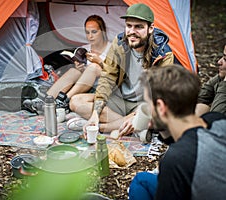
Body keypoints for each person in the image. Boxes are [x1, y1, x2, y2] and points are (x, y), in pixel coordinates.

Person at [69, 3, 176, 133]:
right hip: (119, 99)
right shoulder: (119, 43)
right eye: (129, 26)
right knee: (75, 101)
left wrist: (140, 114)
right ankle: (132, 127)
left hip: (142, 105)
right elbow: (108, 77)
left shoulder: (163, 54)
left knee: (157, 115)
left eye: (139, 27)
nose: (132, 32)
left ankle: (101, 127)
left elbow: (160, 95)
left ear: (151, 28)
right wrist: (95, 115)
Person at [128, 64, 226, 200]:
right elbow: (187, 139)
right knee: (142, 180)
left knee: (141, 181)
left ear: (161, 107)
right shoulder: (216, 120)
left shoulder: (176, 161)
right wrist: (158, 124)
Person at [46, 15, 111, 111]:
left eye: (94, 32)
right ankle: (47, 100)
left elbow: (117, 72)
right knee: (74, 71)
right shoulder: (84, 49)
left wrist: (99, 62)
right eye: (87, 33)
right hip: (82, 85)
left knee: (93, 67)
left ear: (102, 31)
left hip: (103, 85)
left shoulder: (112, 49)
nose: (90, 36)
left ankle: (65, 99)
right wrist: (79, 67)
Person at [195, 44, 226, 116]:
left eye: (225, 59)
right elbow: (200, 96)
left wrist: (224, 85)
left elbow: (217, 118)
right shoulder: (222, 76)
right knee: (201, 108)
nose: (219, 62)